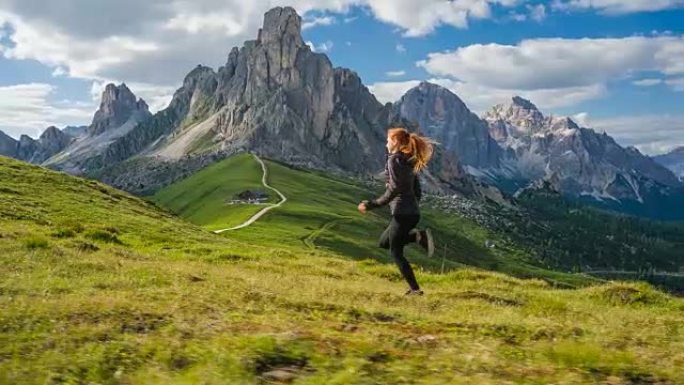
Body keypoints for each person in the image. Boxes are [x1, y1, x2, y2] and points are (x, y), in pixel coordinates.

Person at [358, 127, 435, 296]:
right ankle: (417, 236)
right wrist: (412, 204)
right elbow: (417, 189)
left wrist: (371, 204)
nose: (386, 143)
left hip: (403, 213)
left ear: (395, 142)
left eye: (388, 140)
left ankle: (415, 290)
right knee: (384, 243)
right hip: (410, 213)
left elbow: (394, 189)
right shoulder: (407, 160)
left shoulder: (395, 160)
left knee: (396, 252)